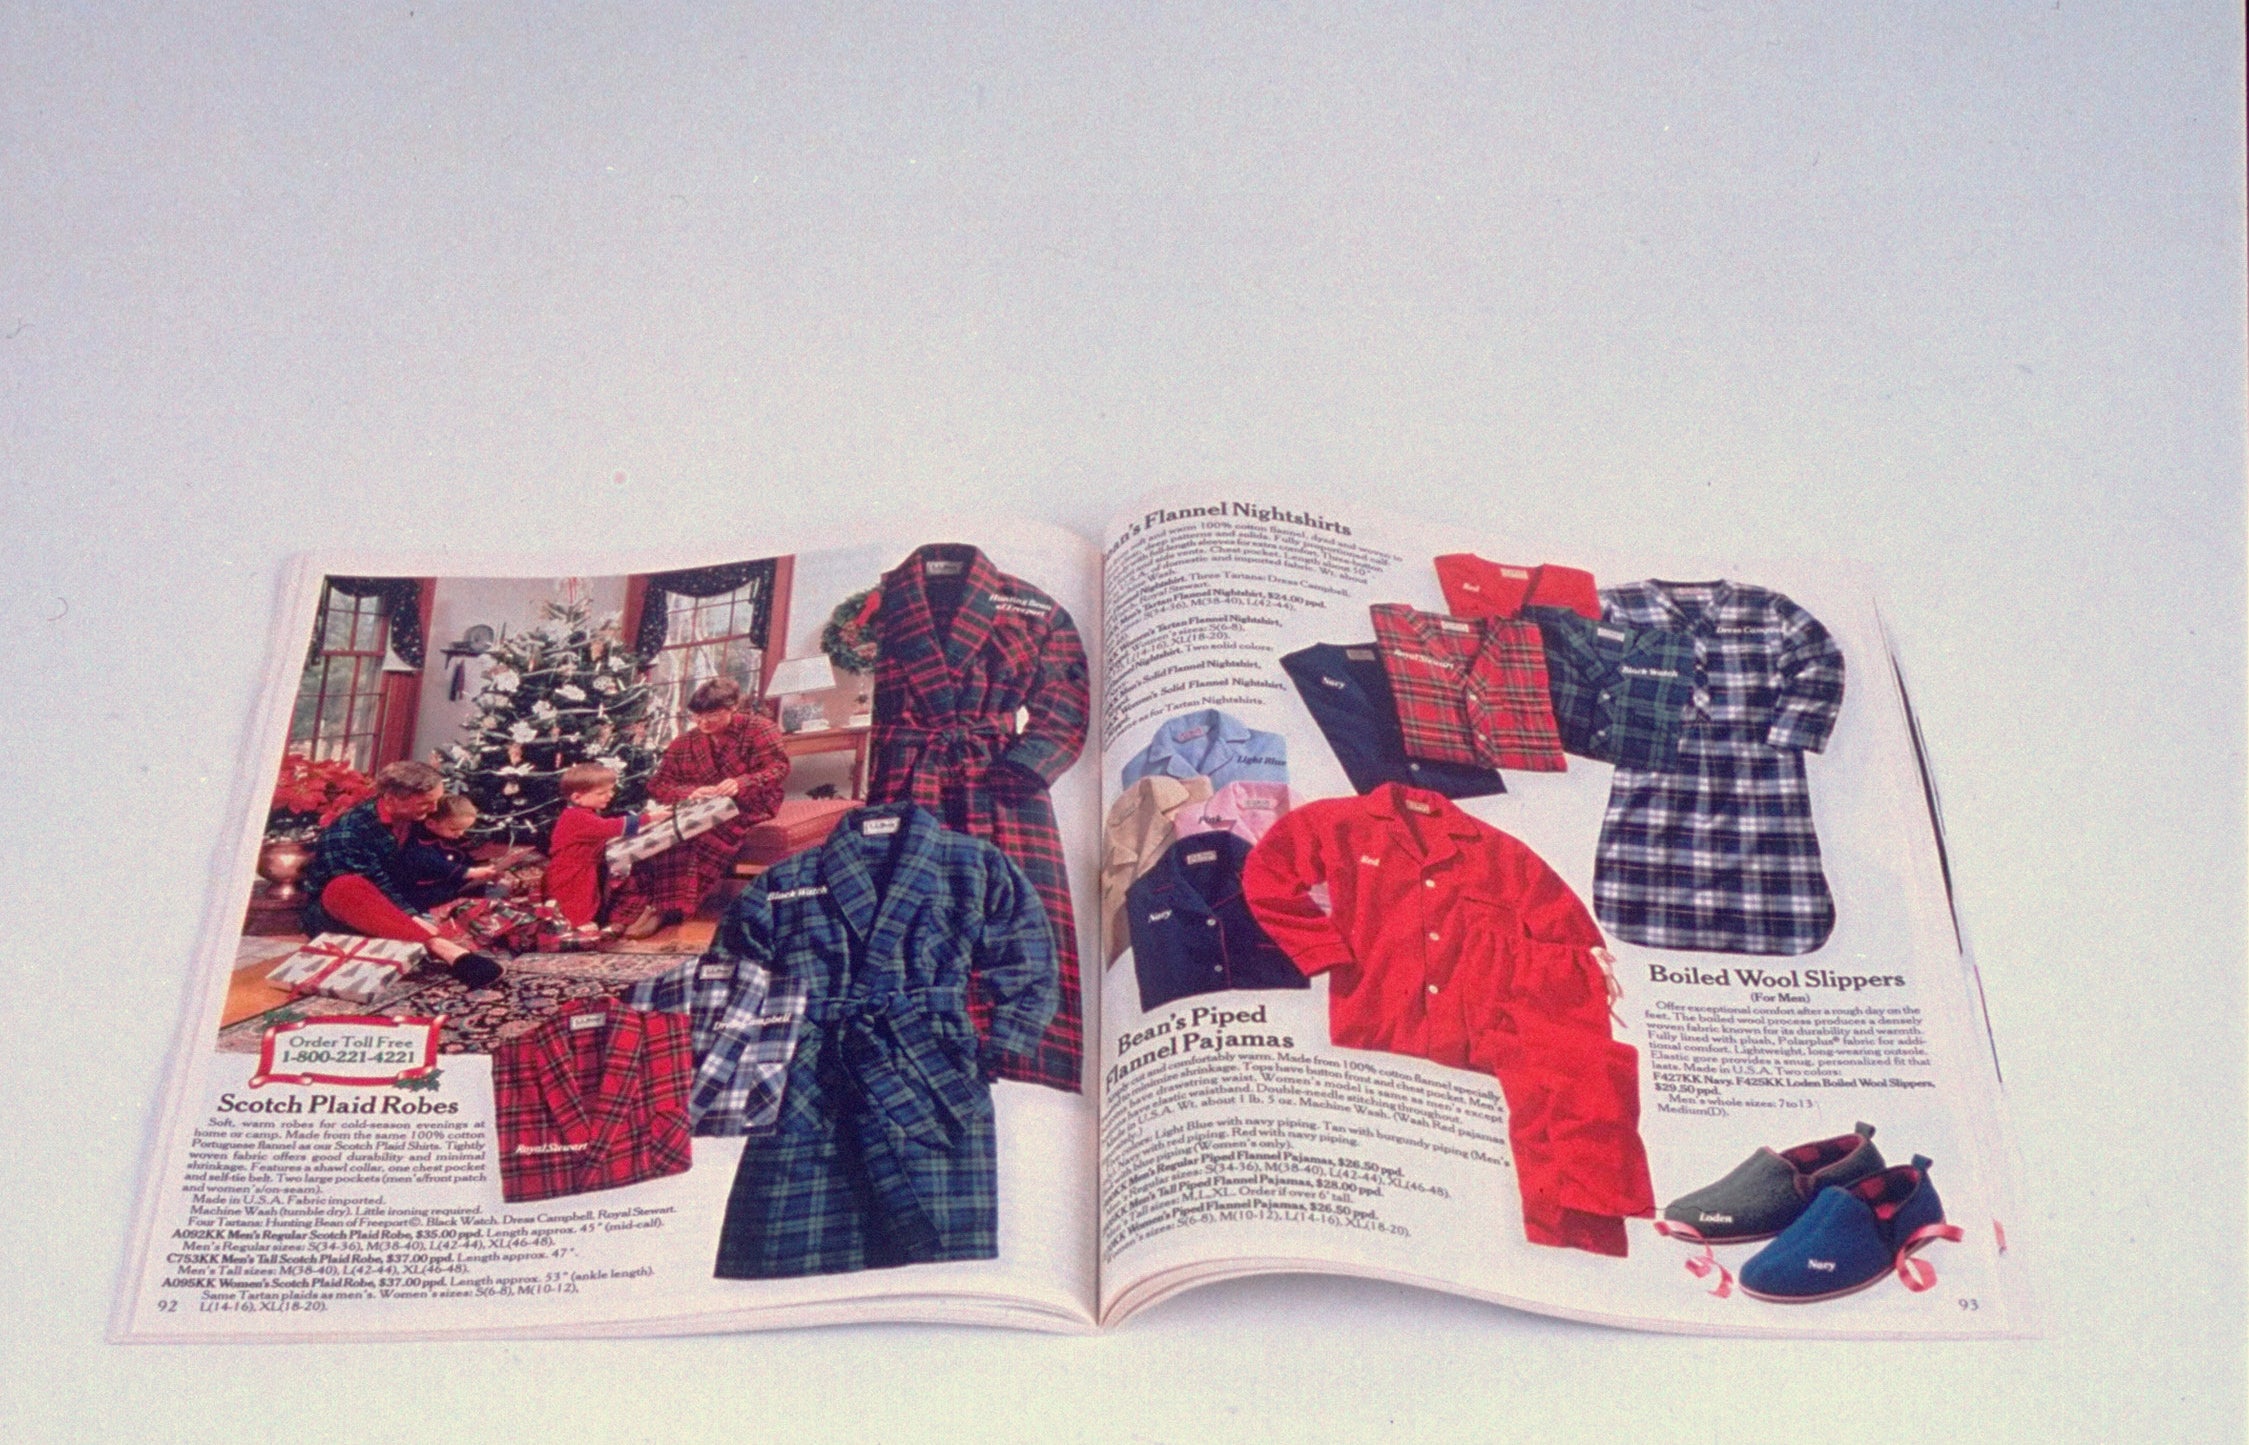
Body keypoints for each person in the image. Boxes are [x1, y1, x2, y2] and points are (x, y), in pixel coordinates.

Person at [609, 677, 788, 940]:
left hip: (750, 804)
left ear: (732, 707)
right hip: (699, 808)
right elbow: (658, 785)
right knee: (660, 836)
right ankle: (636, 908)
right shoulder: (684, 743)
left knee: (694, 836)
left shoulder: (759, 729)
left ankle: (664, 908)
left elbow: (778, 769)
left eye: (712, 715)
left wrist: (742, 782)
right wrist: (691, 792)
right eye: (697, 716)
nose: (703, 722)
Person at [299, 760, 503, 987]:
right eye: (426, 803)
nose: (434, 809)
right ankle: (445, 950)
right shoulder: (350, 831)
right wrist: (412, 917)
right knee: (344, 886)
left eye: (436, 801)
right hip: (344, 913)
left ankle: (422, 937)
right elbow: (376, 885)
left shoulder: (416, 818)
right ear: (391, 798)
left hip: (401, 903)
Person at [542, 763, 671, 931]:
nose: (609, 795)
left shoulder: (583, 812)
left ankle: (582, 924)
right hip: (572, 871)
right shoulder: (576, 818)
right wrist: (649, 818)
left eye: (610, 790)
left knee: (587, 898)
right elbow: (609, 827)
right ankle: (576, 928)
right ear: (577, 798)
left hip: (583, 867)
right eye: (601, 793)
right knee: (576, 902)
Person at [394, 794, 499, 912]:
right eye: (454, 829)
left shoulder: (444, 835)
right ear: (431, 824)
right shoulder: (418, 845)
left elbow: (462, 856)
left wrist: (482, 870)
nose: (460, 833)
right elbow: (438, 865)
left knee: (493, 889)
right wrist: (472, 872)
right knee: (484, 892)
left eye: (464, 829)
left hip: (450, 881)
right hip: (424, 892)